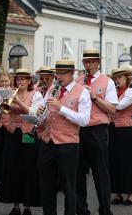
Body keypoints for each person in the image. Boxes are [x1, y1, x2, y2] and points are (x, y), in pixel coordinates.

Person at [38, 60, 91, 215]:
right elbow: (45, 119)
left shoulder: (82, 92)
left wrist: (61, 108)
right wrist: (39, 114)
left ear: (71, 73)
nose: (58, 77)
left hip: (68, 144)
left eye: (62, 73)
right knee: (47, 187)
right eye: (57, 73)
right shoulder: (51, 90)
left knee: (69, 188)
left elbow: (84, 120)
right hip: (48, 142)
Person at [75, 49, 118, 215]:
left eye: (92, 62)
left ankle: (105, 210)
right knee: (78, 174)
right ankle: (81, 210)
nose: (88, 65)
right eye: (86, 62)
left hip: (98, 130)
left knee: (100, 173)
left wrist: (94, 97)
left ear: (98, 63)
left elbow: (112, 109)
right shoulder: (77, 81)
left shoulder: (107, 82)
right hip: (79, 130)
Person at [0, 68, 43, 215]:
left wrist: (17, 101)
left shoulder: (35, 94)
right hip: (12, 133)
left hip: (28, 132)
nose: (21, 82)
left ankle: (27, 206)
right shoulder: (10, 92)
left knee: (28, 167)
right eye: (18, 79)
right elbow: (3, 112)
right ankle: (15, 205)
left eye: (24, 79)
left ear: (29, 81)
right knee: (12, 168)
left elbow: (35, 114)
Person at [109, 66, 132, 206]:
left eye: (120, 77)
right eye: (116, 78)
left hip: (127, 129)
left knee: (128, 162)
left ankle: (131, 194)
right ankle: (118, 193)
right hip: (113, 128)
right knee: (115, 161)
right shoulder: (113, 91)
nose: (117, 80)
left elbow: (118, 106)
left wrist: (105, 101)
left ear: (127, 77)